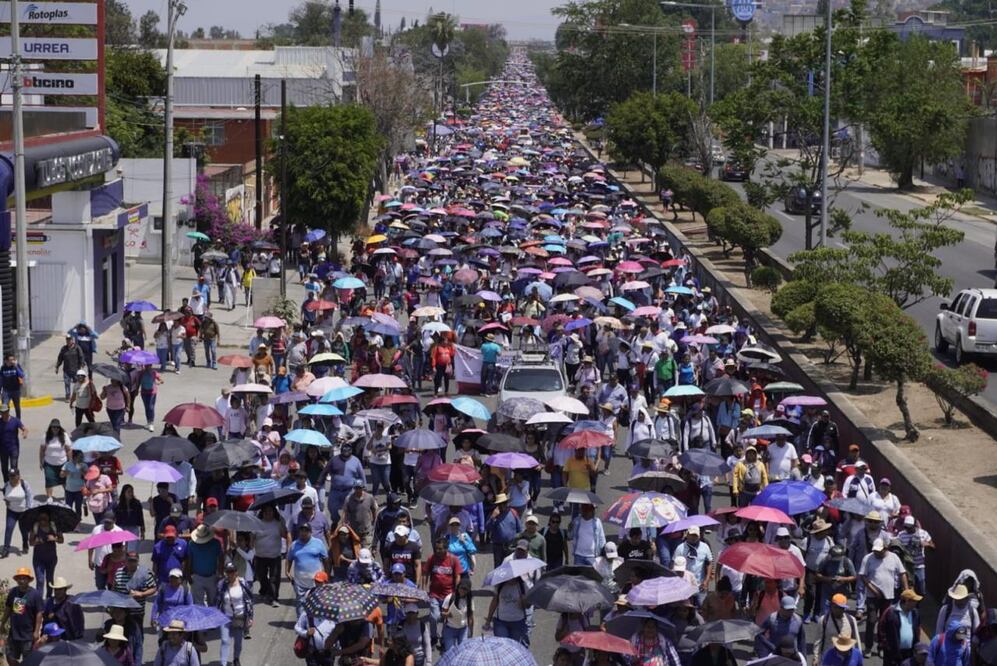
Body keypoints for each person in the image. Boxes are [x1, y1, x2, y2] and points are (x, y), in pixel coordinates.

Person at [859, 538, 909, 653]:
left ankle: (882, 646)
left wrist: (906, 590)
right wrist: (873, 590)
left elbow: (902, 573)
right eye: (875, 551)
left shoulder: (894, 558)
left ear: (885, 548)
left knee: (885, 623)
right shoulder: (868, 558)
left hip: (888, 597)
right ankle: (868, 647)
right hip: (872, 596)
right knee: (871, 621)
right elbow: (863, 576)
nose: (876, 553)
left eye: (879, 551)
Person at [424, 536, 463, 649]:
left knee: (447, 618)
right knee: (434, 617)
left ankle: (444, 638)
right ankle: (433, 636)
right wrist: (424, 588)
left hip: (448, 595)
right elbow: (426, 572)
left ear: (446, 548)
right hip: (434, 594)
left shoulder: (453, 559)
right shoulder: (432, 558)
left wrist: (456, 592)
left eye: (440, 549)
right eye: (436, 549)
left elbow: (457, 576)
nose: (438, 551)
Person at [2, 567, 43, 664]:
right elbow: (8, 608)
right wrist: (2, 623)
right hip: (14, 633)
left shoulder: (35, 594)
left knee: (28, 661)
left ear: (29, 580)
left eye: (24, 578)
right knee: (10, 657)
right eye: (19, 578)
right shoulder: (13, 592)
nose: (21, 580)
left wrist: (36, 631)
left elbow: (39, 613)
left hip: (27, 635)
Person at [216, 560, 254, 666]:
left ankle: (236, 659)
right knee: (224, 640)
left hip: (240, 616)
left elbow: (249, 601)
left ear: (236, 572)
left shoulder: (243, 583)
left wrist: (250, 617)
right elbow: (218, 600)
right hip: (225, 616)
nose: (230, 574)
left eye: (232, 571)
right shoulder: (222, 584)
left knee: (238, 642)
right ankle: (223, 663)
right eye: (228, 572)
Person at [286, 523, 329, 614]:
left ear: (310, 532)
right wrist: (287, 572)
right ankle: (301, 625)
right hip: (300, 582)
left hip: (316, 582)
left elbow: (325, 559)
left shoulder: (318, 543)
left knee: (316, 603)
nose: (303, 533)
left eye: (306, 530)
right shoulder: (294, 545)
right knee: (301, 604)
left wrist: (326, 574)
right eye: (302, 530)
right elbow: (289, 559)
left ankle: (314, 624)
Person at [814, 594, 862, 665]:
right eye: (836, 607)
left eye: (841, 608)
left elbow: (856, 640)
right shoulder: (823, 620)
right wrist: (816, 657)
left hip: (848, 657)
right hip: (829, 658)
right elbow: (818, 641)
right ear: (831, 606)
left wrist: (858, 656)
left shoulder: (851, 620)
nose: (839, 610)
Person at [879, 589, 923, 666]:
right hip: (893, 654)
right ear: (906, 601)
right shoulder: (890, 612)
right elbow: (881, 630)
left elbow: (918, 630)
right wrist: (888, 647)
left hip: (910, 653)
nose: (916, 603)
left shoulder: (915, 613)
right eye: (914, 601)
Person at [484, 577, 529, 647]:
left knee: (515, 647)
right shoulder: (499, 586)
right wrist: (488, 620)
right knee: (502, 647)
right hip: (501, 622)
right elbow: (494, 602)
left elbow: (528, 606)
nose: (510, 579)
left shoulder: (523, 586)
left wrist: (524, 601)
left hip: (518, 622)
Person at [28, 509, 63, 595]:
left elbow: (61, 540)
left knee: (50, 580)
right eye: (40, 518)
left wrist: (54, 538)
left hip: (51, 559)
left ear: (49, 517)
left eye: (44, 518)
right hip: (38, 559)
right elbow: (31, 543)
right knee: (40, 580)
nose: (42, 520)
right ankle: (39, 601)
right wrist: (36, 541)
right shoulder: (35, 527)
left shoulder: (54, 526)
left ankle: (48, 600)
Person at [3, 468, 34, 557]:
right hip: (11, 511)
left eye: (14, 476)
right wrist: (6, 501)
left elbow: (29, 496)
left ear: (18, 476)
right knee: (9, 528)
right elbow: (5, 495)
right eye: (10, 476)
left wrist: (29, 508)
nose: (12, 478)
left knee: (24, 531)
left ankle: (25, 543)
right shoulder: (6, 485)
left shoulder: (24, 484)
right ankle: (6, 549)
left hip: (23, 512)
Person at [440, 578, 474, 653]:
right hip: (450, 629)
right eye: (461, 588)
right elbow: (442, 614)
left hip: (463, 629)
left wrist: (471, 632)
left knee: (463, 652)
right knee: (450, 653)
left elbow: (470, 617)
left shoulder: (469, 600)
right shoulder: (450, 598)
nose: (463, 590)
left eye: (465, 589)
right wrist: (447, 615)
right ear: (458, 587)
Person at [0, 403, 28, 484]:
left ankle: (15, 483)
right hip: (2, 449)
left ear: (8, 411)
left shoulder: (15, 420)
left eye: (5, 412)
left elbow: (24, 429)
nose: (3, 414)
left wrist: (25, 433)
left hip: (13, 448)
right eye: (2, 412)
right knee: (4, 468)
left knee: (13, 467)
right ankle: (7, 484)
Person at [55, 335, 86, 401]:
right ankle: (68, 396)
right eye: (67, 340)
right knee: (67, 383)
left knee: (77, 384)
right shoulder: (63, 348)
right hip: (66, 370)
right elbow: (60, 358)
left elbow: (81, 357)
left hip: (76, 370)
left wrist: (82, 363)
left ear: (72, 340)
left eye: (69, 339)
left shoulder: (77, 348)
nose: (68, 341)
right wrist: (57, 366)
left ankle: (76, 396)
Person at [1, 354, 26, 419]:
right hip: (6, 391)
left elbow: (22, 375)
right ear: (6, 361)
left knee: (17, 407)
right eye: (10, 360)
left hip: (16, 391)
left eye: (13, 359)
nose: (12, 361)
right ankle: (5, 420)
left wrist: (16, 367)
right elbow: (1, 379)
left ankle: (18, 421)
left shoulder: (16, 366)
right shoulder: (3, 368)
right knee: (5, 407)